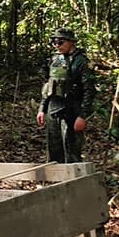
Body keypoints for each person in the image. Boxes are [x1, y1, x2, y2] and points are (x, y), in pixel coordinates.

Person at [36, 27, 96, 164]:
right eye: (54, 42)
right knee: (54, 150)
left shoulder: (81, 61)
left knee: (72, 150)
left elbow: (89, 90)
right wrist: (42, 109)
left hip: (72, 109)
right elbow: (48, 86)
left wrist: (82, 116)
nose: (57, 45)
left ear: (71, 42)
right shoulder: (54, 60)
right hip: (54, 108)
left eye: (60, 42)